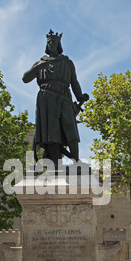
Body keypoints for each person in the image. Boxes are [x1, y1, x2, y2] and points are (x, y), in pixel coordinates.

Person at [22, 30, 89, 167]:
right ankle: (56, 165)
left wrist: (80, 96)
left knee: (70, 127)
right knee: (51, 133)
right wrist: (39, 67)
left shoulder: (67, 62)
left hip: (64, 97)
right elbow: (25, 78)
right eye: (49, 42)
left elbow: (74, 82)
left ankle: (76, 161)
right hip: (46, 98)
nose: (51, 44)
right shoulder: (40, 62)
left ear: (59, 44)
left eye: (54, 42)